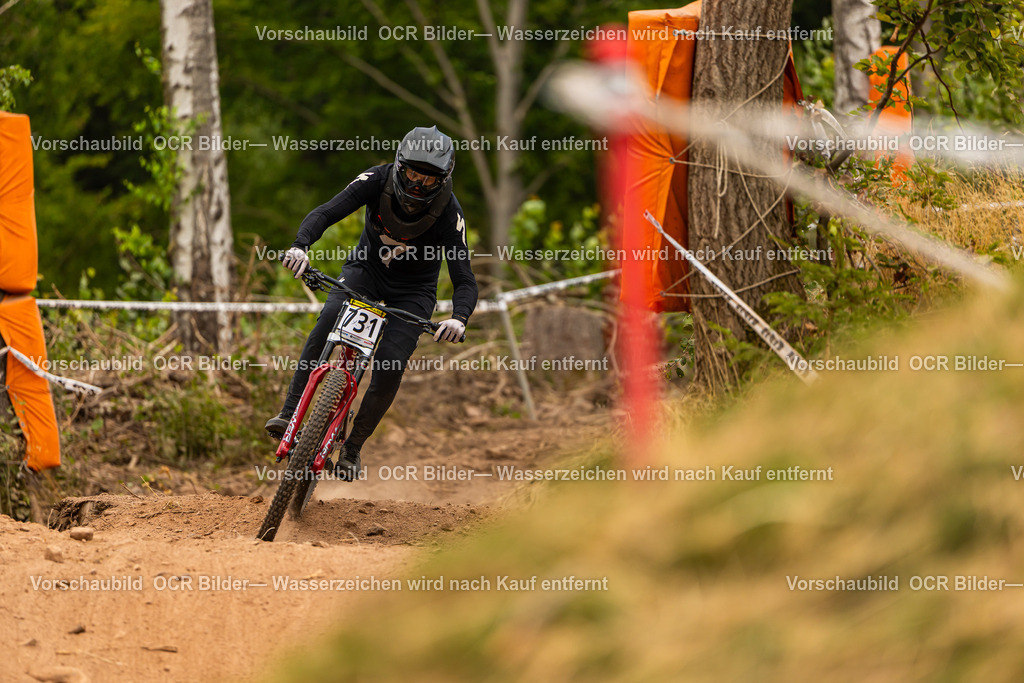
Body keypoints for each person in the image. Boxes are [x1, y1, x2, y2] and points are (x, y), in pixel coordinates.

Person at [265, 126, 478, 481]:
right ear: (399, 166)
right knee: (328, 320)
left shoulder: (449, 213)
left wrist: (459, 317)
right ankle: (289, 412)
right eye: (412, 173)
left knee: (391, 363)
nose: (417, 186)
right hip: (365, 271)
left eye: (428, 180)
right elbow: (326, 212)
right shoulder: (375, 180)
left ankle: (352, 448)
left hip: (414, 291)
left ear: (443, 180)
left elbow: (464, 277)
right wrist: (300, 245)